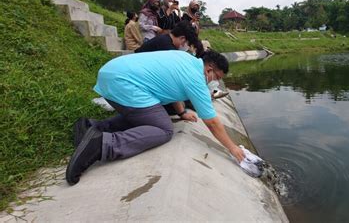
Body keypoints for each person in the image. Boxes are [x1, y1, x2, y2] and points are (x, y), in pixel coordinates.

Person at [66, 50, 245, 185]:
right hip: (124, 83)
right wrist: (232, 148)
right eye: (216, 77)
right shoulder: (196, 78)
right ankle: (100, 145)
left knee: (148, 116)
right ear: (209, 69)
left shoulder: (185, 58)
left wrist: (181, 113)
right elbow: (212, 122)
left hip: (111, 74)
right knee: (164, 129)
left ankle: (92, 126)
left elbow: (173, 88)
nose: (214, 82)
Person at [135, 20, 202, 55]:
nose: (186, 48)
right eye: (187, 44)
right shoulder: (168, 47)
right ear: (182, 39)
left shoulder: (165, 39)